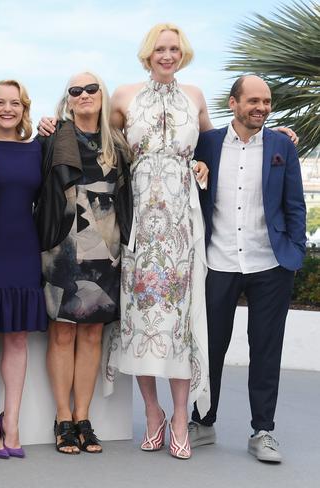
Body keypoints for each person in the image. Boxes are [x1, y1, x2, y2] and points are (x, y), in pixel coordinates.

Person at [101, 23, 213, 460]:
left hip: (183, 227)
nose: (168, 55)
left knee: (180, 324)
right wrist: (53, 123)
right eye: (160, 49)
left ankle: (181, 416)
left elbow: (216, 141)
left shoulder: (196, 96)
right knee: (142, 321)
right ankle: (153, 414)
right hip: (140, 225)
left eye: (174, 49)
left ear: (182, 53)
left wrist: (274, 135)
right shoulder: (124, 96)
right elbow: (95, 137)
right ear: (147, 54)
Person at [188, 75, 306, 463]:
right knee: (209, 347)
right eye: (253, 100)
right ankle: (203, 422)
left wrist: (296, 250)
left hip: (270, 263)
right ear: (234, 103)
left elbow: (294, 204)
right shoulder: (207, 142)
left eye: (267, 102)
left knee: (266, 349)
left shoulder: (280, 146)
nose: (262, 107)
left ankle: (263, 431)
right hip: (218, 261)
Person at [35, 72, 131, 455]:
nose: (84, 94)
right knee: (62, 332)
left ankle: (83, 418)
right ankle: (62, 419)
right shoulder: (54, 136)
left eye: (92, 88)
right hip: (64, 247)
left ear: (103, 95)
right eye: (76, 90)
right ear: (68, 100)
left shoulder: (118, 143)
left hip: (107, 248)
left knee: (92, 334)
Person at [0, 80, 47, 459]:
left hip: (24, 249)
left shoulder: (38, 148)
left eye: (14, 103)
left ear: (24, 108)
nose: (7, 109)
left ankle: (11, 421)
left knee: (17, 337)